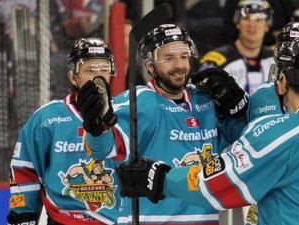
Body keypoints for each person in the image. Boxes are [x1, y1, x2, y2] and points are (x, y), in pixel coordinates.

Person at [115, 21, 299, 225]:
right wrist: (235, 110)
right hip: (271, 213)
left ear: (283, 74)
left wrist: (161, 178)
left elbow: (231, 174)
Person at [77, 24, 248, 224]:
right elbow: (102, 150)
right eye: (168, 58)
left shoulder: (206, 99)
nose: (179, 65)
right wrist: (96, 129)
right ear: (150, 65)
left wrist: (238, 109)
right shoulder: (140, 101)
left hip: (206, 220)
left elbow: (242, 145)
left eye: (184, 56)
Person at [7, 38, 125, 225]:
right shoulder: (48, 118)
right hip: (63, 220)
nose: (98, 78)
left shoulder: (126, 115)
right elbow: (25, 168)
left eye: (104, 70)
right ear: (73, 77)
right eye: (90, 70)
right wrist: (23, 215)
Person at [199, 0, 275, 94]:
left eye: (258, 19)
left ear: (267, 25)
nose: (252, 25)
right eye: (246, 18)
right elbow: (200, 97)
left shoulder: (276, 59)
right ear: (237, 23)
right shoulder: (216, 62)